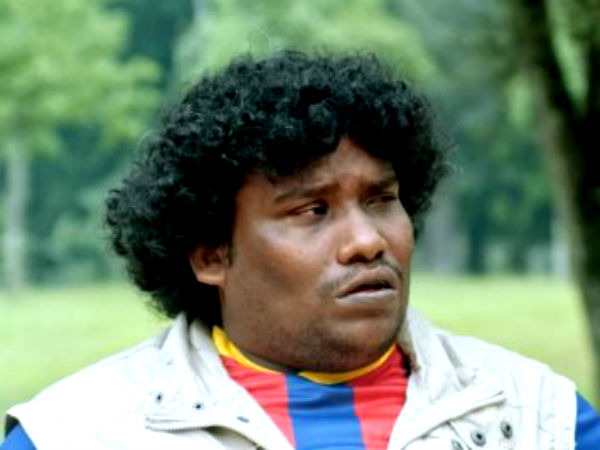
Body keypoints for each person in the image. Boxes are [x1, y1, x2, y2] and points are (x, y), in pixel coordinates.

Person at [2, 51, 599, 450]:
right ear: (211, 254)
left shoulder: (541, 420)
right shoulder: (75, 434)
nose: (367, 240)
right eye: (312, 211)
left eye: (381, 200)